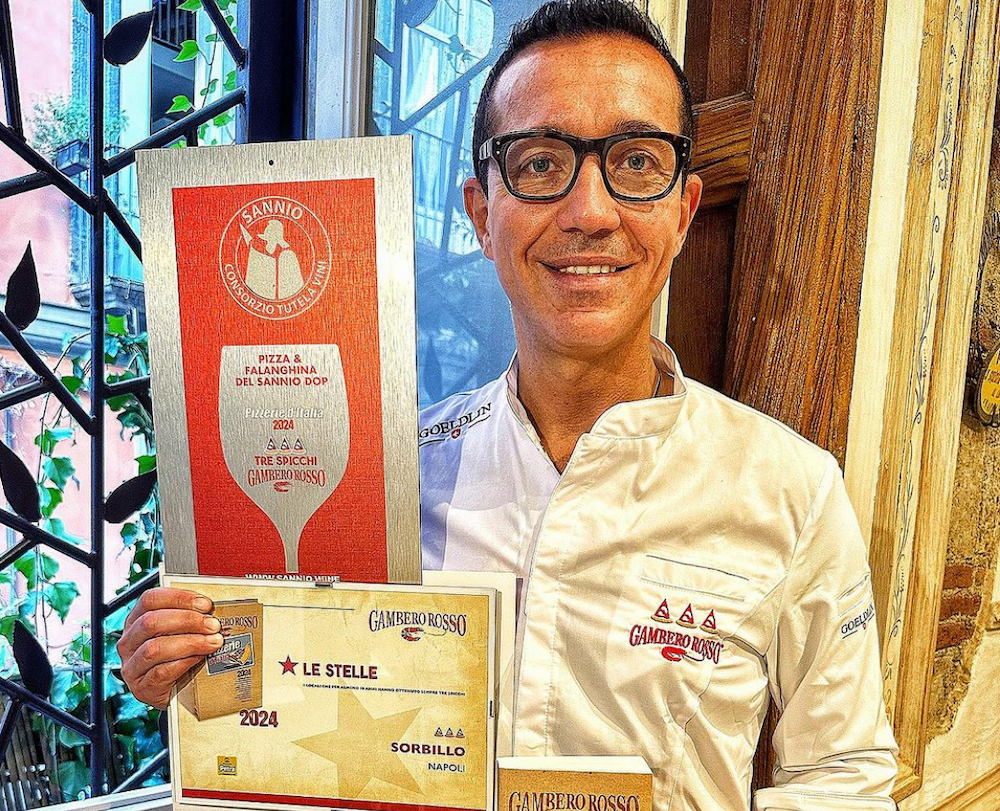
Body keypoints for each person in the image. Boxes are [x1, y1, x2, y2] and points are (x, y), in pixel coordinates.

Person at [118, 1, 899, 809]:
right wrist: (188, 661)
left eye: (635, 162)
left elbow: (848, 777)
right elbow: (287, 710)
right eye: (537, 162)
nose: (590, 212)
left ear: (682, 213)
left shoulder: (794, 491)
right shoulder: (387, 477)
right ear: (482, 214)